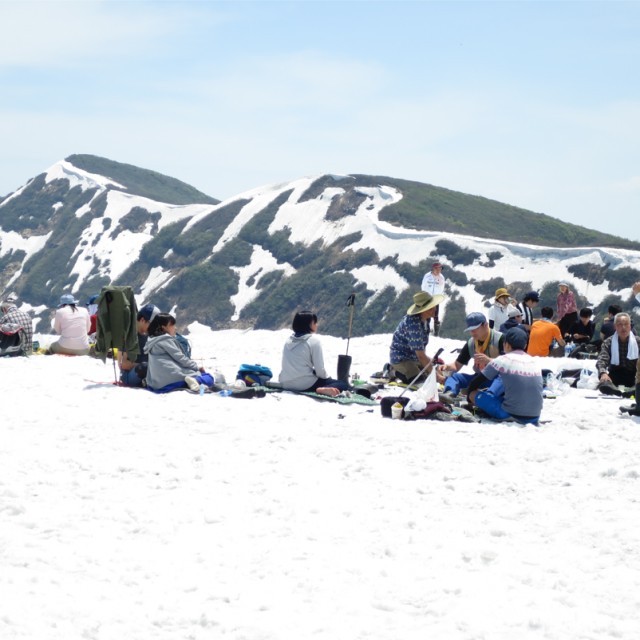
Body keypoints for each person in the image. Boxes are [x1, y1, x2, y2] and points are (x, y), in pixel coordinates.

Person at [467, 328, 543, 425]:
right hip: (534, 416)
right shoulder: (534, 362)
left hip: (509, 413)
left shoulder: (502, 360)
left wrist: (469, 400)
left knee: (473, 394)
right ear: (525, 346)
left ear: (506, 344)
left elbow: (474, 383)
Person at [279, 310, 350, 396]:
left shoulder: (288, 341)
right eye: (315, 322)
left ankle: (323, 387)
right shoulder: (313, 341)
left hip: (285, 383)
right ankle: (321, 389)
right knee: (343, 384)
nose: (317, 324)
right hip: (304, 385)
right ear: (308, 324)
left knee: (311, 371)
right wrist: (328, 378)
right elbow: (320, 370)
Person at [438, 312, 505, 399]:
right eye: (470, 329)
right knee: (454, 376)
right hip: (479, 378)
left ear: (485, 325)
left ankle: (488, 397)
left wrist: (489, 360)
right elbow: (456, 365)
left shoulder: (501, 339)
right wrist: (446, 367)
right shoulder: (471, 343)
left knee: (502, 379)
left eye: (475, 328)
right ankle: (450, 393)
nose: (472, 332)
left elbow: (509, 365)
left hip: (496, 379)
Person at [144, 313, 214, 393]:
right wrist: (196, 367)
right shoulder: (165, 340)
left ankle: (194, 383)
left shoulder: (152, 341)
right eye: (172, 325)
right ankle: (195, 381)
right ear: (164, 327)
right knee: (209, 377)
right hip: (171, 380)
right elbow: (181, 358)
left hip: (157, 383)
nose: (175, 328)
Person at [389, 291, 444, 382]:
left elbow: (421, 348)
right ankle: (392, 371)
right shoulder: (414, 325)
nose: (434, 308)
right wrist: (437, 377)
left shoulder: (425, 320)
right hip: (401, 357)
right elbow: (421, 356)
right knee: (417, 380)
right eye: (430, 307)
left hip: (413, 356)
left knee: (428, 377)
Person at [596, 313, 640, 395]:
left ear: (630, 326)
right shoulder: (609, 342)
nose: (623, 327)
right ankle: (614, 391)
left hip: (634, 375)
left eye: (626, 324)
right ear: (614, 326)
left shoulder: (638, 342)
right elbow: (602, 359)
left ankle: (633, 391)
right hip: (615, 374)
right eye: (620, 324)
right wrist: (603, 373)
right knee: (604, 382)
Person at [118, 304, 160, 387]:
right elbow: (122, 363)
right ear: (142, 320)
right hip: (131, 375)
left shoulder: (148, 335)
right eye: (152, 325)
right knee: (144, 367)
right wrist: (149, 366)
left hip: (148, 370)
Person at [421, 263, 445, 336]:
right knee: (427, 314)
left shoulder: (441, 277)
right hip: (427, 298)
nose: (438, 270)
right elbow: (423, 285)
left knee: (435, 315)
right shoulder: (427, 276)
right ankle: (426, 330)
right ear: (433, 269)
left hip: (435, 299)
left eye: (440, 269)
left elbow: (442, 287)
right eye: (437, 269)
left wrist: (437, 297)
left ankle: (436, 332)